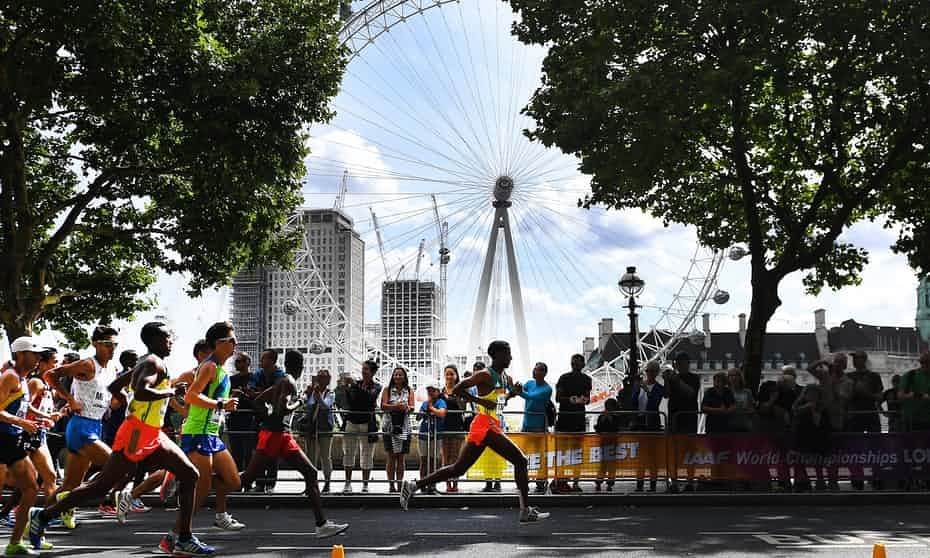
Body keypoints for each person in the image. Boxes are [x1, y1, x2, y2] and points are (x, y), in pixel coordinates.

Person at [29, 322, 215, 557]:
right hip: (136, 433)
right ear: (155, 340)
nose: (171, 342)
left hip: (152, 431)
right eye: (167, 338)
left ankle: (182, 538)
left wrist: (123, 401)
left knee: (190, 474)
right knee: (101, 485)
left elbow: (115, 385)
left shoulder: (146, 362)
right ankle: (42, 515)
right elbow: (141, 391)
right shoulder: (151, 362)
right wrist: (169, 392)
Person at [400, 340, 549, 524]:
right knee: (520, 460)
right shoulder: (484, 375)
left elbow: (499, 402)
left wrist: (513, 393)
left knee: (458, 469)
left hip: (491, 424)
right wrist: (479, 401)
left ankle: (414, 485)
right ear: (497, 355)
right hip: (484, 425)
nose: (511, 357)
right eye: (507, 354)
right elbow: (456, 389)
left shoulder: (505, 378)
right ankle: (525, 511)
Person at [239, 350, 348, 538]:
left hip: (280, 434)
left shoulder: (282, 381)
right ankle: (205, 486)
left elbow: (258, 400)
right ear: (300, 366)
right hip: (276, 435)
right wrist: (301, 401)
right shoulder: (289, 382)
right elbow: (283, 408)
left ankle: (322, 525)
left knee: (310, 473)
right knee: (246, 479)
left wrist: (267, 417)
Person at [44, 325, 121, 520]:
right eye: (107, 344)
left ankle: (41, 518)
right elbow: (50, 375)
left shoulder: (112, 368)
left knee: (71, 485)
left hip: (96, 425)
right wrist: (69, 399)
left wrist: (115, 402)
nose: (111, 348)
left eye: (114, 345)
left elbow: (109, 397)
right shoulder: (87, 364)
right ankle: (114, 499)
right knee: (116, 465)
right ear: (95, 344)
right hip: (80, 427)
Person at [182, 322, 245, 530]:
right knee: (201, 490)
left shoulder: (220, 370)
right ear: (217, 344)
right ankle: (178, 535)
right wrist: (221, 404)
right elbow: (191, 396)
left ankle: (218, 513)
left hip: (211, 434)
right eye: (230, 341)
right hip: (198, 432)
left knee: (233, 481)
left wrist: (224, 405)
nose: (235, 344)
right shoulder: (209, 366)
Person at [1, 337, 45, 556]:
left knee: (31, 488)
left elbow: (17, 409)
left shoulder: (25, 380)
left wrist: (36, 420)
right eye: (33, 353)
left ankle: (14, 543)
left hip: (13, 441)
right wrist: (21, 422)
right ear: (19, 355)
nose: (38, 358)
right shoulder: (10, 377)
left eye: (39, 354)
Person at [243, 349, 286, 492]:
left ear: (272, 360)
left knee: (272, 452)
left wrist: (258, 394)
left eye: (263, 358)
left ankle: (271, 483)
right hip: (258, 418)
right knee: (258, 451)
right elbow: (250, 391)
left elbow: (276, 393)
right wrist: (262, 393)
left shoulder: (280, 375)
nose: (261, 361)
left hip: (274, 419)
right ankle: (260, 482)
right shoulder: (258, 374)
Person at [511, 362, 552, 493]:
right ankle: (523, 480)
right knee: (522, 455)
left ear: (544, 373)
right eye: (534, 369)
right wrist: (514, 386)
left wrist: (518, 392)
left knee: (539, 455)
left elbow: (531, 397)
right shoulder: (529, 383)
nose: (535, 372)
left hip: (539, 426)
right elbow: (521, 391)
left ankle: (540, 482)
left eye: (538, 370)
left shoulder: (547, 389)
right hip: (526, 424)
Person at [341, 360, 381, 493]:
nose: (363, 372)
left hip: (367, 424)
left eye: (366, 369)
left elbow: (370, 400)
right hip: (351, 422)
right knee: (348, 452)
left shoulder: (377, 386)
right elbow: (351, 402)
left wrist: (355, 389)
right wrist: (347, 389)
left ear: (373, 372)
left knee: (367, 454)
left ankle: (365, 484)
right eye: (363, 369)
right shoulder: (356, 384)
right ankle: (347, 483)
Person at [846, 351, 884, 490]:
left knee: (876, 445)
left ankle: (877, 476)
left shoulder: (874, 376)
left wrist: (866, 393)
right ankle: (857, 477)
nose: (855, 361)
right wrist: (854, 392)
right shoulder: (849, 376)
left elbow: (880, 397)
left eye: (857, 358)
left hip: (870, 413)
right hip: (855, 414)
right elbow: (845, 397)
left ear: (864, 360)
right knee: (855, 447)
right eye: (854, 359)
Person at [554, 354, 591, 493]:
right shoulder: (566, 378)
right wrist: (573, 400)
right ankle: (564, 481)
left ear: (582, 365)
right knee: (566, 452)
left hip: (573, 418)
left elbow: (588, 399)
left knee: (574, 452)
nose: (575, 366)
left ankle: (572, 482)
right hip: (568, 418)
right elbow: (558, 398)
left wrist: (582, 400)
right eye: (573, 364)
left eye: (577, 364)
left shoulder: (568, 378)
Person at [664, 352, 700, 492]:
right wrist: (667, 381)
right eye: (678, 363)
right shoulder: (673, 379)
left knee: (689, 451)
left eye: (682, 363)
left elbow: (691, 393)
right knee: (674, 452)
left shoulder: (694, 378)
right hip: (675, 418)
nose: (680, 366)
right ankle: (674, 481)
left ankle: (690, 480)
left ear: (687, 363)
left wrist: (676, 381)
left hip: (688, 418)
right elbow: (666, 395)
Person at [381, 367, 414, 493]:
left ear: (405, 377)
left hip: (404, 427)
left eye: (400, 375)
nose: (398, 377)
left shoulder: (409, 390)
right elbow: (383, 406)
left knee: (401, 457)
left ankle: (399, 484)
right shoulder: (387, 390)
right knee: (391, 456)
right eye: (396, 375)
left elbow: (412, 407)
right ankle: (391, 485)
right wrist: (397, 407)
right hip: (389, 427)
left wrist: (406, 408)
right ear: (392, 377)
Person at [302, 369, 335, 494]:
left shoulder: (330, 393)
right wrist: (310, 394)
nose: (321, 380)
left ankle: (327, 483)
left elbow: (326, 406)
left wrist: (318, 397)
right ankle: (311, 484)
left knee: (326, 457)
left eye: (324, 377)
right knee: (310, 457)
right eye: (319, 377)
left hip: (325, 428)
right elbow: (308, 406)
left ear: (328, 380)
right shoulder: (311, 392)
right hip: (312, 428)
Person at [227, 351, 257, 473]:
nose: (236, 363)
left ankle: (248, 481)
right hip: (234, 419)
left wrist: (244, 395)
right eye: (235, 361)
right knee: (235, 452)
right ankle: (237, 480)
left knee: (248, 452)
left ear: (247, 363)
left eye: (239, 361)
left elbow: (257, 397)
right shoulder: (231, 379)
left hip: (249, 419)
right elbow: (225, 397)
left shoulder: (254, 378)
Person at [439, 364, 467, 493]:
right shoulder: (440, 392)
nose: (449, 376)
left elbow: (462, 408)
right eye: (447, 374)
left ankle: (455, 483)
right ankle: (447, 484)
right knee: (446, 457)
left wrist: (456, 395)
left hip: (457, 427)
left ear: (456, 376)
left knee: (456, 457)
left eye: (452, 374)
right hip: (444, 427)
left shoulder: (461, 390)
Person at [594, 398, 623, 492]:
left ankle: (609, 483)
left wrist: (609, 419)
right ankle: (599, 481)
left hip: (612, 442)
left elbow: (616, 428)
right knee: (604, 464)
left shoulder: (616, 417)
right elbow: (598, 428)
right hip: (604, 442)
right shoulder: (601, 416)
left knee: (610, 464)